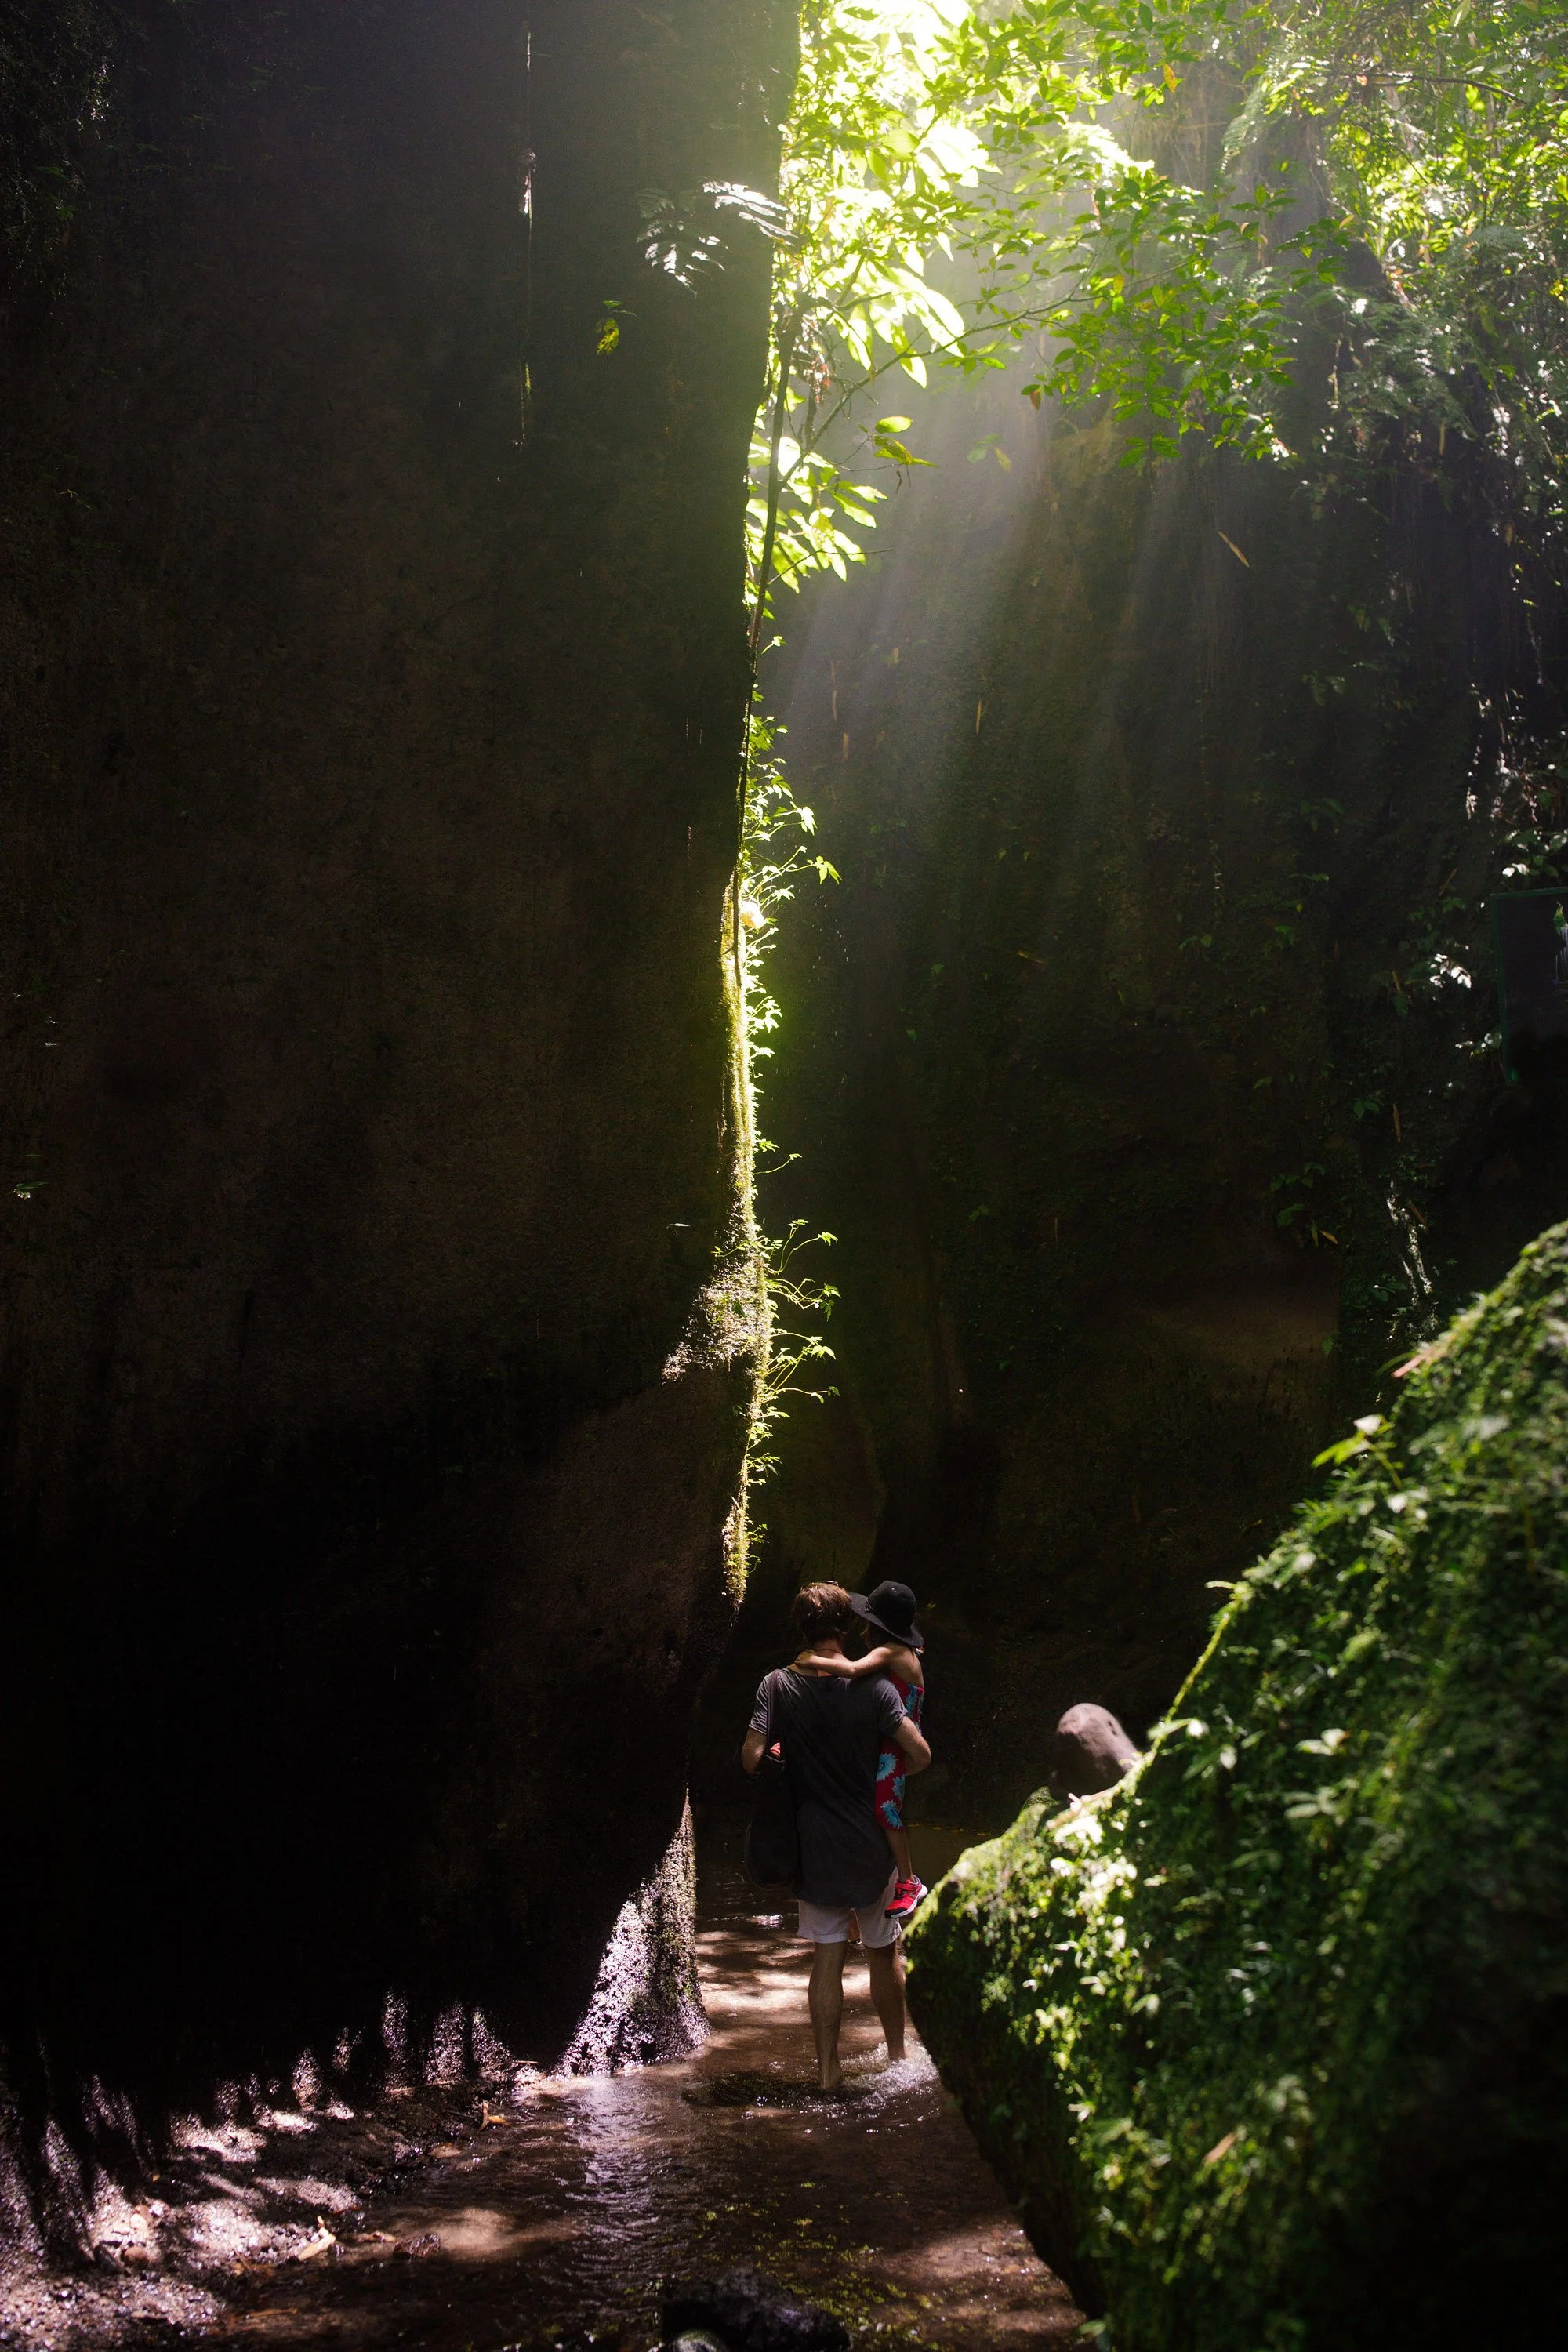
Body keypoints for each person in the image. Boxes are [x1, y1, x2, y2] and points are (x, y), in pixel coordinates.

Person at [742, 1581, 932, 2091]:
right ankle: (897, 2060)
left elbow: (752, 1759)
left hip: (815, 1841)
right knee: (883, 1947)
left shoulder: (776, 1685)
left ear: (800, 1628)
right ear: (847, 1627)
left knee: (827, 1954)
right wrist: (885, 1775)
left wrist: (786, 1756)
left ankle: (827, 2074)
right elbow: (919, 1754)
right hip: (872, 1837)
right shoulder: (876, 1687)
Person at [796, 1579, 928, 1921]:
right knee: (878, 1805)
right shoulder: (904, 1653)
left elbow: (853, 1669)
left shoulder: (892, 1652)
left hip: (897, 1744)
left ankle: (908, 1881)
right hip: (890, 1742)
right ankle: (871, 1893)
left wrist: (810, 1659)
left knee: (886, 1810)